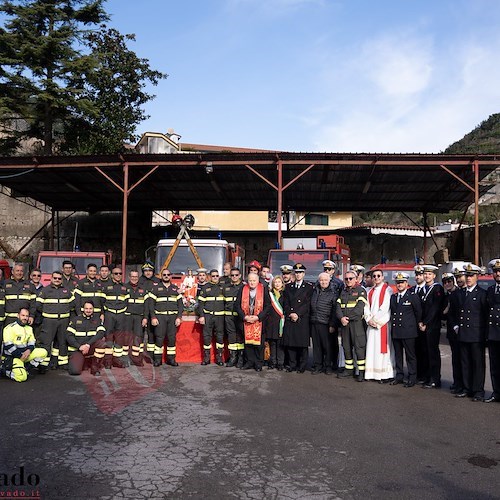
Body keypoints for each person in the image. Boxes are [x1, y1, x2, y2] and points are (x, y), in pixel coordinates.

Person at [452, 264, 489, 402]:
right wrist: (456, 326)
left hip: (476, 334)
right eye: (467, 275)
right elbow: (455, 312)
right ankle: (467, 388)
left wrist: (485, 334)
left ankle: (478, 391)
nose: (468, 279)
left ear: (477, 277)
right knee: (465, 363)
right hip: (463, 333)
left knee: (478, 364)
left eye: (471, 276)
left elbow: (485, 316)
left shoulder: (482, 294)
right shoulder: (461, 293)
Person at [36, 271, 75, 372]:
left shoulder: (66, 290)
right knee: (46, 342)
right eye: (55, 278)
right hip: (49, 321)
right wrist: (48, 313)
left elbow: (72, 304)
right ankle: (43, 364)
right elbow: (38, 305)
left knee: (62, 342)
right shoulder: (45, 290)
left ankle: (60, 363)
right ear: (51, 278)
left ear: (61, 280)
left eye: (59, 278)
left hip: (63, 320)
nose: (57, 280)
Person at [390, 272, 422, 387]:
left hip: (408, 331)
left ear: (406, 283)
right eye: (398, 282)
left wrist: (417, 325)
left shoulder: (412, 296)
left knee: (410, 356)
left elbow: (418, 312)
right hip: (397, 331)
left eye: (402, 282)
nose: (399, 284)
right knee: (398, 356)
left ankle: (412, 377)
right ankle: (399, 376)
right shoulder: (393, 297)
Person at [336, 270, 368, 381]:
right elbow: (338, 306)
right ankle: (348, 370)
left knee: (359, 348)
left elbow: (359, 308)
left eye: (350, 278)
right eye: (346, 279)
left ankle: (361, 372)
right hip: (345, 325)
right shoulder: (343, 291)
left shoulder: (361, 291)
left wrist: (347, 318)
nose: (348, 281)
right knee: (347, 347)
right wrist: (341, 318)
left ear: (356, 279)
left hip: (356, 324)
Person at [0, 308, 47, 382]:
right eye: (23, 315)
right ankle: (4, 371)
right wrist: (20, 356)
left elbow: (32, 342)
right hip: (13, 357)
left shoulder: (29, 328)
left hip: (25, 355)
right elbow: (8, 346)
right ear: (18, 316)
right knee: (22, 377)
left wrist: (29, 350)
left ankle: (26, 368)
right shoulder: (9, 328)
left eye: (27, 316)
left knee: (43, 352)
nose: (25, 318)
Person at [235, 272, 270, 371]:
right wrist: (244, 316)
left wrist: (258, 317)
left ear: (258, 281)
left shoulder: (263, 289)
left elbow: (268, 306)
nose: (252, 283)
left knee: (259, 344)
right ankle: (249, 361)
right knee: (248, 343)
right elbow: (237, 305)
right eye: (250, 280)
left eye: (254, 280)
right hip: (246, 320)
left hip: (259, 321)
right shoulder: (242, 289)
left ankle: (258, 363)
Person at [149, 268, 183, 367]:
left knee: (171, 338)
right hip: (160, 317)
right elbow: (151, 304)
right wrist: (153, 317)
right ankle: (158, 360)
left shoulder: (175, 289)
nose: (166, 276)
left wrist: (179, 317)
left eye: (168, 274)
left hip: (172, 318)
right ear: (161, 276)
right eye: (164, 275)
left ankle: (171, 359)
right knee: (159, 338)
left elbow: (180, 305)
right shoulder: (155, 288)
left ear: (170, 276)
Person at [418, 264, 445, 389]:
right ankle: (427, 377)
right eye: (425, 274)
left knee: (432, 352)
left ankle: (435, 379)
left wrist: (426, 323)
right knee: (424, 352)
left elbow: (435, 308)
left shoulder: (437, 288)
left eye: (429, 274)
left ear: (434, 276)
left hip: (432, 326)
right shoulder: (423, 289)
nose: (427, 276)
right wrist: (420, 322)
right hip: (423, 325)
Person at [283, 263, 313, 373]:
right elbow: (285, 302)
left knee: (302, 344)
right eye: (296, 272)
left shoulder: (309, 287)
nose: (298, 274)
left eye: (300, 272)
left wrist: (297, 314)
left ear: (304, 274)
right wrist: (291, 313)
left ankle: (302, 366)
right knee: (291, 344)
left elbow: (307, 304)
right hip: (291, 317)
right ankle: (292, 365)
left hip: (302, 318)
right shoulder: (288, 287)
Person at [364, 269, 394, 382]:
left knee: (383, 350)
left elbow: (385, 307)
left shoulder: (387, 290)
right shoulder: (369, 291)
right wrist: (369, 319)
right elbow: (365, 306)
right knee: (372, 349)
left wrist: (375, 320)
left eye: (378, 276)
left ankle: (384, 375)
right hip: (371, 325)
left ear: (382, 277)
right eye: (374, 276)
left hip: (382, 324)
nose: (376, 278)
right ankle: (372, 373)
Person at [101, 267, 132, 369]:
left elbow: (127, 302)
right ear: (112, 275)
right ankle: (108, 361)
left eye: (120, 273)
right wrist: (103, 313)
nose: (118, 275)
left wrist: (124, 311)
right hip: (109, 314)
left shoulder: (125, 287)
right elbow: (101, 301)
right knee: (109, 337)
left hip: (121, 315)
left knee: (119, 339)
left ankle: (117, 360)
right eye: (116, 273)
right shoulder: (106, 286)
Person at [66, 301, 107, 376]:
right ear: (83, 309)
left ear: (93, 309)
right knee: (74, 371)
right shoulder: (75, 320)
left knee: (102, 344)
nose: (88, 310)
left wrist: (88, 344)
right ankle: (84, 362)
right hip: (78, 349)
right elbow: (69, 336)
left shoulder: (97, 320)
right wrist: (79, 347)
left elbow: (101, 333)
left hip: (90, 348)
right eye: (86, 308)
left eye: (90, 308)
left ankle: (95, 367)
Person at [310, 272, 338, 375]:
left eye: (325, 280)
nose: (323, 282)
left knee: (327, 347)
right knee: (316, 346)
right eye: (321, 280)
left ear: (329, 281)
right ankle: (318, 366)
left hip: (326, 323)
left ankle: (328, 366)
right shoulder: (314, 291)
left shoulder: (333, 293)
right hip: (314, 321)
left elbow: (335, 310)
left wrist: (332, 324)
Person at [443, 270, 465, 394]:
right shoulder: (448, 295)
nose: (448, 284)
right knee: (455, 359)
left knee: (462, 359)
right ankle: (457, 383)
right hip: (453, 332)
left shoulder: (458, 293)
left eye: (450, 281)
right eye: (445, 282)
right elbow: (446, 314)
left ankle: (462, 384)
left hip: (463, 331)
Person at [198, 269, 225, 366]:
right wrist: (201, 316)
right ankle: (206, 358)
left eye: (217, 276)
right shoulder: (205, 287)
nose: (215, 277)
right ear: (209, 277)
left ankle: (219, 357)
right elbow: (200, 304)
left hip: (220, 317)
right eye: (213, 276)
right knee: (206, 337)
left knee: (220, 337)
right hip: (208, 316)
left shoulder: (223, 287)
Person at [125, 270, 149, 366]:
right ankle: (126, 358)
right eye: (132, 276)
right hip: (127, 317)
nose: (134, 278)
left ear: (138, 277)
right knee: (127, 338)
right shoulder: (124, 287)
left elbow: (146, 305)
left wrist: (145, 318)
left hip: (139, 317)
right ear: (129, 277)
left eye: (136, 276)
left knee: (138, 338)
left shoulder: (143, 289)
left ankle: (137, 359)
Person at [222, 267, 245, 367]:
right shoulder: (226, 288)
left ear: (240, 275)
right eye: (232, 275)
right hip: (229, 316)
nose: (234, 277)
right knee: (231, 337)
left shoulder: (244, 287)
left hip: (240, 317)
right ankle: (233, 357)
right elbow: (222, 302)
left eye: (236, 275)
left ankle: (240, 358)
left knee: (240, 337)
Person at [485, 258, 500, 403]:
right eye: (495, 271)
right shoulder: (490, 290)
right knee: (494, 366)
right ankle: (496, 392)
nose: (498, 274)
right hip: (493, 334)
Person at [264, 275, 285, 370]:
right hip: (271, 322)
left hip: (281, 321)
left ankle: (280, 363)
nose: (277, 284)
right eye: (275, 282)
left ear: (282, 283)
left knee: (280, 344)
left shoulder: (285, 293)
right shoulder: (269, 294)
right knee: (272, 343)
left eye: (279, 282)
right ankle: (272, 362)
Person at [412, 264, 427, 384]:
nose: (418, 277)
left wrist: (423, 322)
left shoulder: (428, 289)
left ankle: (424, 375)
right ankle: (416, 374)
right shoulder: (412, 290)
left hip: (424, 326)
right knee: (414, 351)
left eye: (420, 275)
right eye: (416, 275)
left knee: (424, 351)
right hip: (413, 326)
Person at [28, 268, 44, 341]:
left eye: (38, 275)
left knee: (37, 339)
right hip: (27, 317)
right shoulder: (25, 287)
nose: (36, 277)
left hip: (39, 319)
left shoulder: (44, 289)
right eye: (34, 275)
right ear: (30, 276)